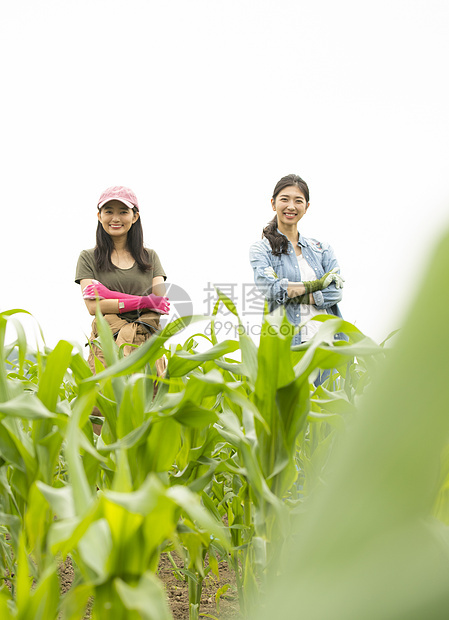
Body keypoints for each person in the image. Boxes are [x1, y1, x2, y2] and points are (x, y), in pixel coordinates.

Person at [75, 185, 170, 376]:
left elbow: (160, 304)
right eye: (108, 211)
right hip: (106, 344)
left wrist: (109, 296)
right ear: (99, 216)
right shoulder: (88, 258)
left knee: (149, 403)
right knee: (104, 402)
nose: (115, 218)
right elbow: (94, 308)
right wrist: (143, 301)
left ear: (134, 216)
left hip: (146, 342)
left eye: (123, 212)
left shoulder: (150, 257)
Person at [249, 174, 345, 349]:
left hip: (328, 344)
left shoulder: (322, 249)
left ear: (306, 207)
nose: (291, 206)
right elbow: (271, 289)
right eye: (284, 199)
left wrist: (291, 296)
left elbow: (336, 293)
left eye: (298, 201)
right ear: (273, 203)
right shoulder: (262, 250)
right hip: (287, 346)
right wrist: (317, 285)